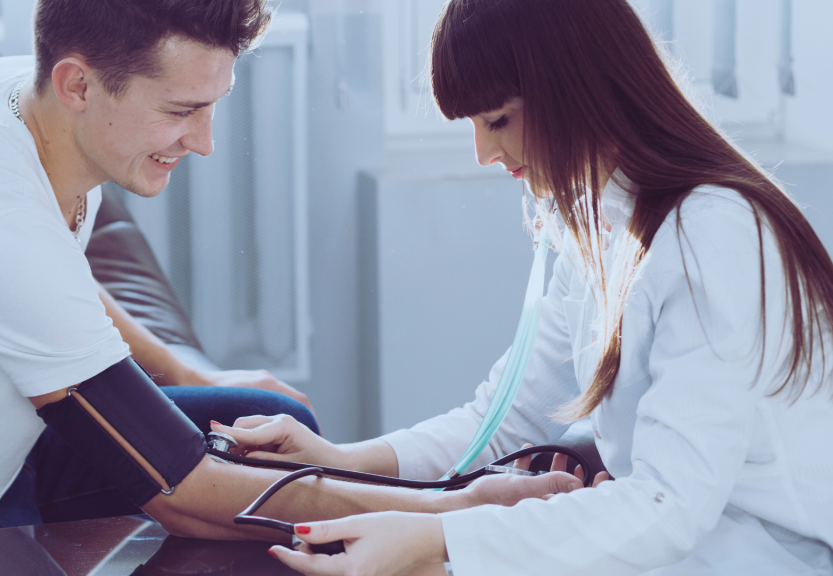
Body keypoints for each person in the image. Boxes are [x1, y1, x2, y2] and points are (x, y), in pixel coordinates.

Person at [0, 0, 583, 548]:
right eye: (182, 110)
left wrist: (192, 370)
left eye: (214, 106)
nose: (206, 142)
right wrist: (456, 509)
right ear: (80, 84)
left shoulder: (19, 94)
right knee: (236, 493)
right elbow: (182, 495)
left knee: (267, 430)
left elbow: (50, 274)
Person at [211, 1, 833, 574]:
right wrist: (344, 460)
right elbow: (501, 420)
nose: (484, 152)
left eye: (498, 119)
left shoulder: (716, 236)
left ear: (576, 89)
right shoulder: (601, 223)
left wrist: (442, 542)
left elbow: (670, 506)